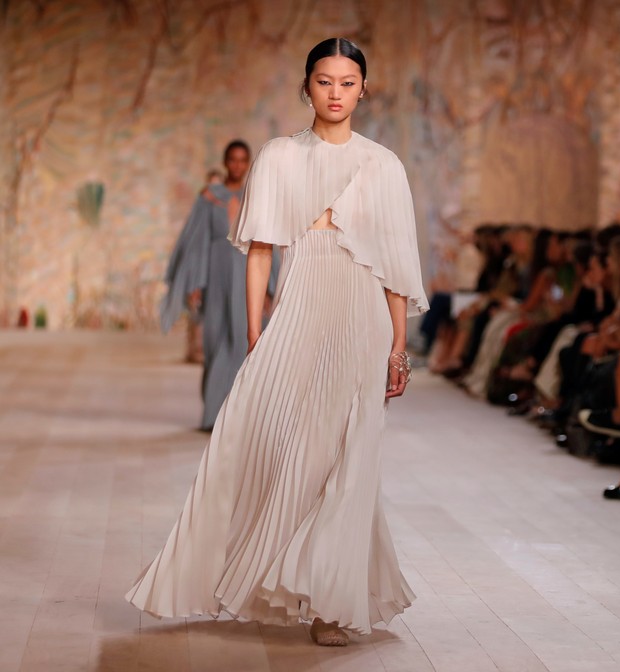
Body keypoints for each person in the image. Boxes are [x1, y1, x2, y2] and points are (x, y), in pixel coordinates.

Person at [127, 37, 429, 647]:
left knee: (353, 456)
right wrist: (255, 331)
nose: (336, 93)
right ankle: (261, 572)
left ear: (364, 89)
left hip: (363, 315)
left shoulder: (384, 166)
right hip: (300, 305)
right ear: (307, 86)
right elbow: (261, 250)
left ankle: (331, 603)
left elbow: (396, 266)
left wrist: (399, 345)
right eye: (325, 81)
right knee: (285, 446)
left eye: (348, 82)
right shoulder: (279, 156)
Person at [160, 140, 279, 430]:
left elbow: (266, 243)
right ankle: (213, 415)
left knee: (243, 342)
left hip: (247, 275)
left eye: (242, 160)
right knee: (214, 343)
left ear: (248, 163)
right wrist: (195, 282)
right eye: (232, 159)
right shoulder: (209, 197)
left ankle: (238, 419)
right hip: (215, 275)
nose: (237, 165)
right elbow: (197, 240)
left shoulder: (256, 197)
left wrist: (269, 288)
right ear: (225, 162)